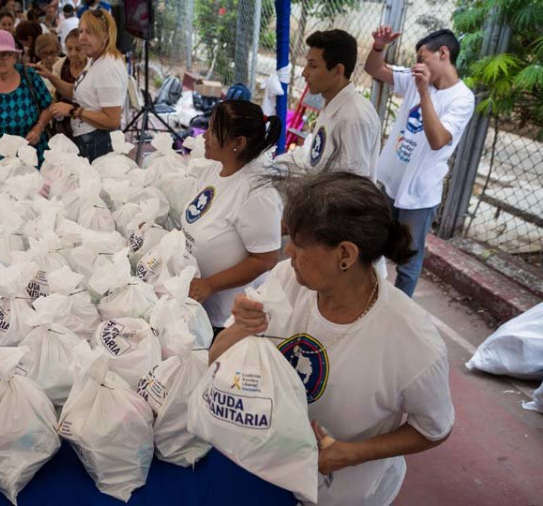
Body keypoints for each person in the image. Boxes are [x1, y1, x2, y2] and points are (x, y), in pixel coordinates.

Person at [211, 172, 455, 505]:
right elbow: (216, 359)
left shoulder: (412, 343)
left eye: (299, 242)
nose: (287, 250)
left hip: (341, 494)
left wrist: (351, 454)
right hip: (268, 471)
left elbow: (433, 428)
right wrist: (241, 325)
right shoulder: (288, 281)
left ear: (345, 255)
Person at [365, 27, 474, 297]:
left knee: (409, 261)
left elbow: (438, 139)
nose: (418, 65)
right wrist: (379, 48)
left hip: (419, 195)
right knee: (372, 243)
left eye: (423, 58)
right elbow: (374, 69)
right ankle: (366, 299)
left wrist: (424, 92)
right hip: (390, 182)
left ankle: (400, 315)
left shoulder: (462, 99)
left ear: (444, 54)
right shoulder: (416, 78)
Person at [181, 100, 283, 331]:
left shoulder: (257, 192)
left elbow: (265, 260)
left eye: (213, 131)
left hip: (226, 319)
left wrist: (210, 284)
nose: (204, 136)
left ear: (238, 143)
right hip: (196, 305)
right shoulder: (214, 169)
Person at [274, 29, 380, 179]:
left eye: (313, 65)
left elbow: (352, 188)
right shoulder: (332, 104)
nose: (304, 72)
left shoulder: (354, 118)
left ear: (338, 70)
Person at [37, 9, 127, 161]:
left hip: (98, 143)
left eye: (89, 33)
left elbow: (113, 120)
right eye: (81, 31)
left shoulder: (108, 68)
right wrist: (51, 77)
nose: (82, 38)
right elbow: (77, 92)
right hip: (89, 140)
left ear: (105, 36)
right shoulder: (95, 60)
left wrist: (74, 111)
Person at [0, 30, 52, 163]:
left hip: (31, 157)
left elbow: (48, 106)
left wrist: (39, 127)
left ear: (14, 56)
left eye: (5, 55)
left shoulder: (29, 76)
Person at [50, 28, 85, 138]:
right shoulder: (59, 66)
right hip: (62, 124)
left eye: (78, 49)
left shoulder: (92, 68)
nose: (73, 53)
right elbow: (53, 94)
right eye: (69, 49)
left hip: (85, 122)